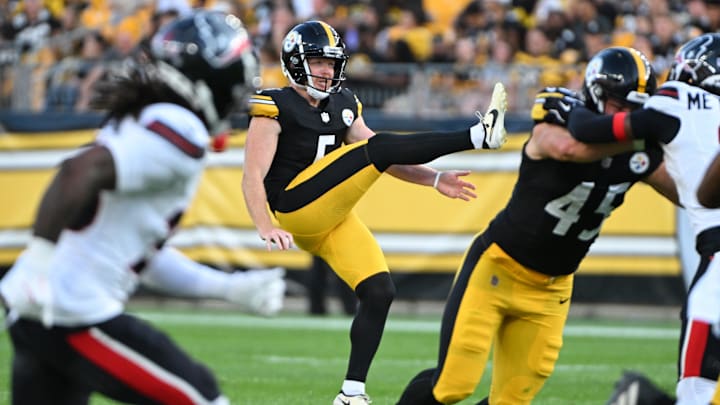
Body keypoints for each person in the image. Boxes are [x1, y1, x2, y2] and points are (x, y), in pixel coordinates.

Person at [241, 20, 508, 405]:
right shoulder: (274, 105)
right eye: (318, 62)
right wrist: (264, 225)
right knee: (376, 148)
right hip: (295, 207)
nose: (327, 71)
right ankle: (477, 135)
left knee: (379, 291)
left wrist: (433, 180)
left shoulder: (345, 104)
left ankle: (351, 393)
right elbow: (252, 176)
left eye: (332, 64)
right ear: (296, 62)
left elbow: (383, 155)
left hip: (330, 219)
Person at [0, 10, 260, 405]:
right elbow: (76, 172)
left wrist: (229, 288)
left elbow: (139, 254)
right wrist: (36, 263)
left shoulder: (147, 119)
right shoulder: (180, 127)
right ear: (213, 78)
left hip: (40, 314)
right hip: (72, 314)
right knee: (203, 397)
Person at [395, 46, 679, 405]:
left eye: (636, 110)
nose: (628, 117)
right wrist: (637, 138)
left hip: (552, 290)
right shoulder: (560, 122)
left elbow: (687, 191)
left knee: (512, 400)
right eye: (620, 107)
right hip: (498, 268)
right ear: (595, 95)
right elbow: (568, 150)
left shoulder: (639, 150)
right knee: (453, 385)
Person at [564, 33, 720, 405]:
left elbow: (587, 131)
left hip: (717, 261)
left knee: (695, 392)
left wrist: (564, 106)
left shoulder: (675, 101)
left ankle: (639, 399)